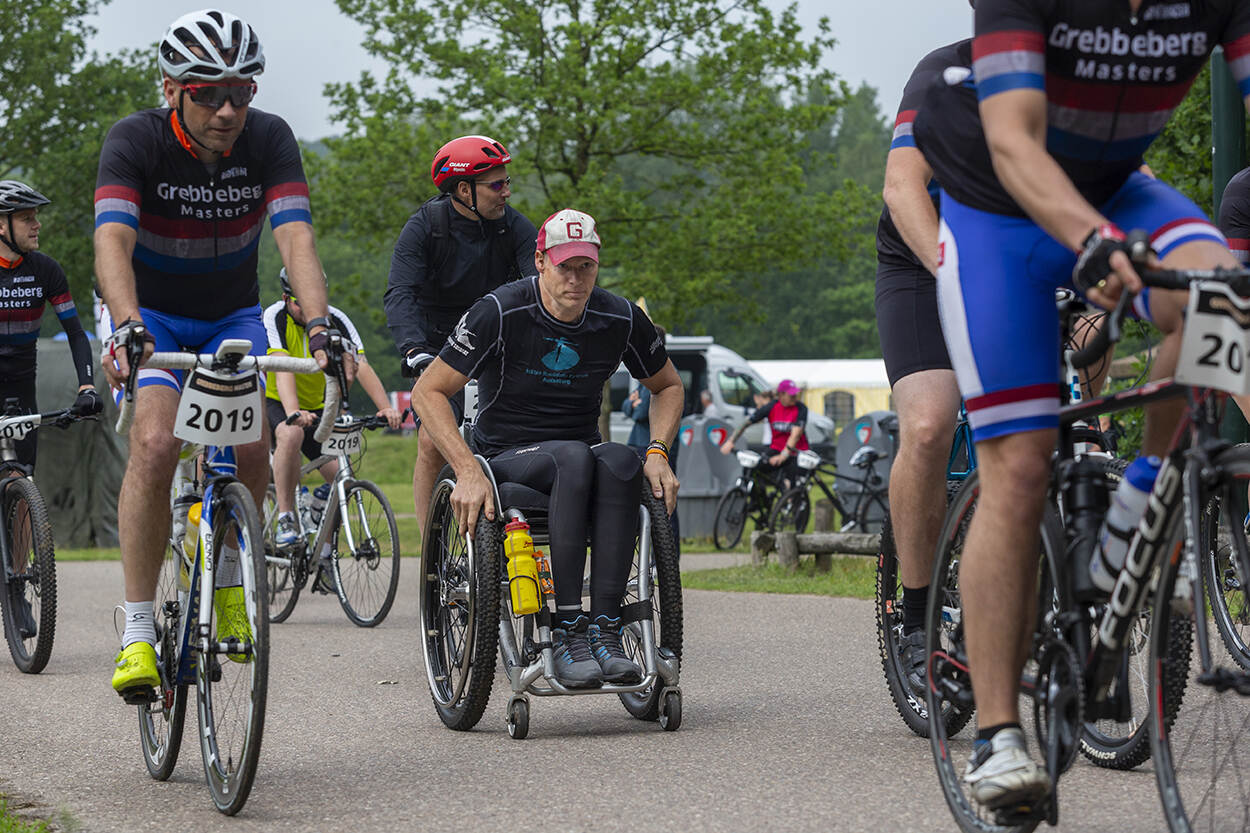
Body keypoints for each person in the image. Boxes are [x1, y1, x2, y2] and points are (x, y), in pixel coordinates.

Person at [911, 0, 1250, 812]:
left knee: (1218, 298)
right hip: (996, 205)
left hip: (1116, 189)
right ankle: (998, 736)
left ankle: (1143, 502)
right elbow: (1012, 140)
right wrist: (1092, 240)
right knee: (1021, 466)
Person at [96, 9, 350, 702]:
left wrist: (320, 328)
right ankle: (138, 631)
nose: (228, 110)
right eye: (209, 94)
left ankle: (232, 580)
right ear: (172, 89)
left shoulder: (268, 139)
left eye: (241, 92)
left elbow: (295, 239)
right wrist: (126, 325)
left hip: (230, 316)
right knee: (155, 444)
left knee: (251, 448)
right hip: (151, 316)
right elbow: (112, 240)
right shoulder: (135, 140)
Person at [413, 208, 683, 688]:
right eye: (564, 266)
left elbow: (668, 386)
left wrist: (658, 451)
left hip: (580, 455)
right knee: (573, 456)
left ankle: (605, 631)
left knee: (622, 459)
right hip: (507, 456)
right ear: (540, 261)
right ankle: (567, 630)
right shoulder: (500, 310)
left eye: (586, 266)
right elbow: (427, 392)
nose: (575, 279)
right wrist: (466, 469)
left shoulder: (619, 317)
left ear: (597, 265)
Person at [874, 37, 972, 699]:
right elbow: (901, 185)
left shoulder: (1082, 71)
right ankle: (916, 619)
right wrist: (954, 273)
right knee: (932, 425)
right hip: (922, 257)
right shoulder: (946, 71)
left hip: (1026, 252)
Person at [384, 135, 538, 533]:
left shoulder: (514, 227)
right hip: (439, 348)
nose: (507, 192)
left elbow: (540, 286)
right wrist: (413, 350)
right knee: (431, 442)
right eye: (496, 184)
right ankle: (430, 549)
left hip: (495, 340)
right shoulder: (425, 227)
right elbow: (401, 293)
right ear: (464, 190)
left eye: (507, 182)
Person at [0, 181, 103, 639]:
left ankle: (18, 585)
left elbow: (76, 333)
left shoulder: (46, 270)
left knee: (22, 482)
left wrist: (86, 385)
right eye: (27, 217)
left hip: (22, 392)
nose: (37, 224)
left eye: (35, 216)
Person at [264, 267, 399, 589]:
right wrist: (292, 412)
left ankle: (325, 556)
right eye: (301, 302)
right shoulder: (275, 317)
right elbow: (282, 368)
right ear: (287, 299)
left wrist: (385, 407)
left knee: (342, 476)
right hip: (277, 401)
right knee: (291, 433)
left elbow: (361, 364)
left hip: (320, 407)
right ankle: (286, 517)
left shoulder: (336, 319)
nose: (311, 308)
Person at [719, 379, 809, 488]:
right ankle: (758, 497)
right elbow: (747, 422)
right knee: (752, 468)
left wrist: (783, 456)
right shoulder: (772, 407)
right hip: (776, 449)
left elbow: (796, 435)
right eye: (791, 395)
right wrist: (730, 441)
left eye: (795, 394)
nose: (795, 397)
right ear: (781, 395)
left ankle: (789, 494)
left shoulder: (801, 408)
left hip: (796, 451)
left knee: (791, 484)